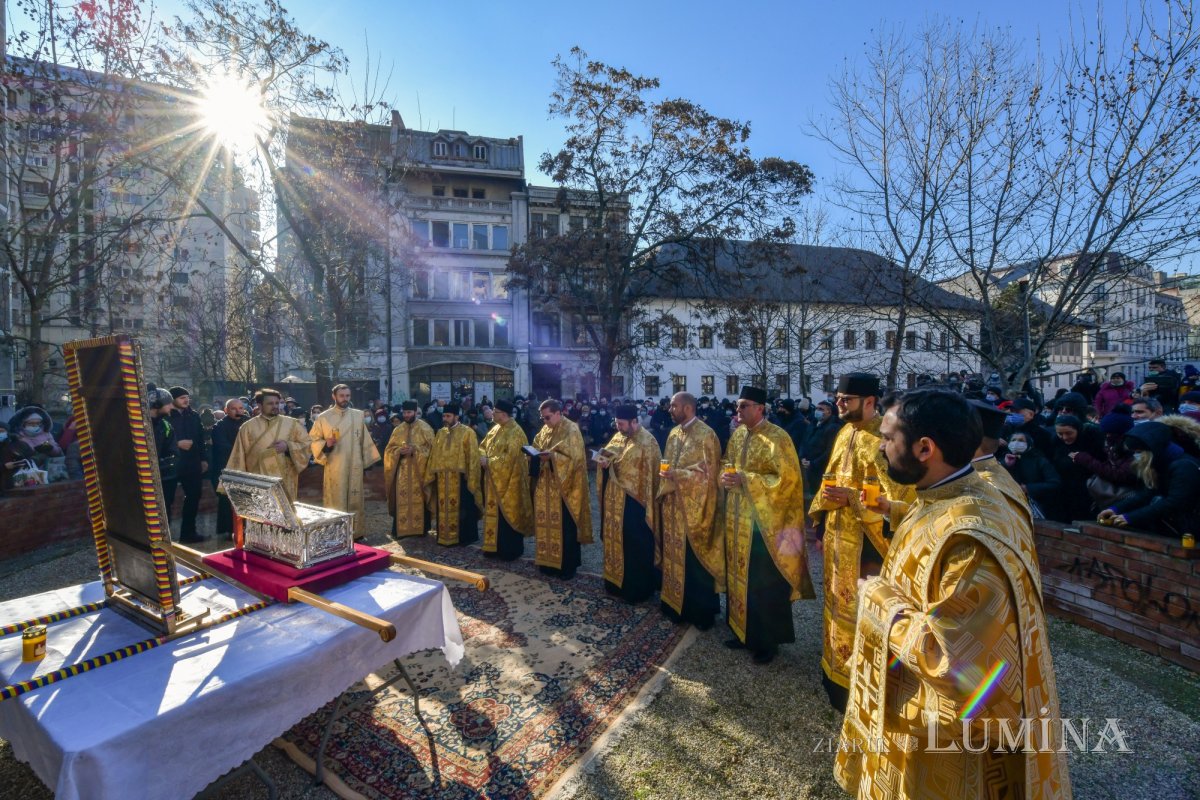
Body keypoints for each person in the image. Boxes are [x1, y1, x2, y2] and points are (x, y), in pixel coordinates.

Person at [838, 390, 1070, 800]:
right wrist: (893, 510)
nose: (880, 447)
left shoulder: (970, 539)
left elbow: (956, 661)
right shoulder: (947, 494)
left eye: (888, 438)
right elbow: (927, 525)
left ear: (925, 448)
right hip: (915, 708)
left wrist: (876, 599)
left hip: (946, 746)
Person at [808, 373, 914, 708]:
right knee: (836, 604)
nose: (839, 404)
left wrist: (853, 497)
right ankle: (835, 673)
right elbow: (831, 479)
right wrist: (822, 525)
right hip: (839, 536)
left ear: (869, 401)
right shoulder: (844, 432)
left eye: (846, 400)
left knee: (865, 613)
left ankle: (863, 685)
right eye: (838, 398)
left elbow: (901, 496)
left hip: (869, 544)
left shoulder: (887, 437)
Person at [720, 386, 814, 665]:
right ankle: (741, 631)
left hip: (764, 526)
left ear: (760, 408)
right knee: (740, 578)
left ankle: (765, 641)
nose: (738, 411)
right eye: (738, 406)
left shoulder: (778, 438)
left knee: (762, 583)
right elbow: (727, 462)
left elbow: (786, 480)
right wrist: (724, 476)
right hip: (738, 520)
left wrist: (746, 479)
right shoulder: (738, 435)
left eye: (744, 405)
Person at [657, 392, 723, 629]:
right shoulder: (674, 433)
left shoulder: (706, 435)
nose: (670, 409)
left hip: (696, 509)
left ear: (687, 408)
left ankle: (700, 613)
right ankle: (674, 605)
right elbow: (667, 463)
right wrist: (666, 476)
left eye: (674, 406)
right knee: (674, 555)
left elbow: (709, 475)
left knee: (694, 561)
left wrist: (678, 475)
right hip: (673, 505)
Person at [596, 404, 661, 603]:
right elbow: (608, 457)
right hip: (614, 501)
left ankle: (637, 589)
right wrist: (604, 464)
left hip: (636, 504)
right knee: (615, 541)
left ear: (634, 421)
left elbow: (651, 476)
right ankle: (615, 583)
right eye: (617, 423)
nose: (619, 427)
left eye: (622, 424)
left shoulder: (648, 442)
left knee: (635, 545)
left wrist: (614, 466)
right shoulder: (617, 437)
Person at [1099, 417, 1200, 536]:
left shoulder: (1184, 466)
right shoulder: (1161, 463)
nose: (1135, 456)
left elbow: (1174, 502)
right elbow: (1147, 493)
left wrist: (1131, 518)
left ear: (1151, 450)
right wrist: (1114, 509)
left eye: (1138, 452)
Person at [529, 399, 593, 579]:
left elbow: (575, 459)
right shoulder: (545, 429)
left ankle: (566, 566)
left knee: (565, 527)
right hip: (545, 486)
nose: (545, 421)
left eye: (547, 417)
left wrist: (552, 457)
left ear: (558, 413)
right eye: (542, 418)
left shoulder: (571, 429)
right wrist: (533, 453)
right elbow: (536, 445)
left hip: (565, 489)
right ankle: (547, 562)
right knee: (546, 524)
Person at [310, 384, 381, 539]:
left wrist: (366, 463)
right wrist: (326, 444)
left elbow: (364, 439)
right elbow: (313, 440)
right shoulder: (323, 417)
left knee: (356, 499)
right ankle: (335, 535)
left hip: (355, 465)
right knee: (336, 500)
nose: (345, 399)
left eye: (347, 395)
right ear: (334, 396)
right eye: (341, 396)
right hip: (335, 466)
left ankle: (356, 533)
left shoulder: (358, 415)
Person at [224, 389, 310, 502]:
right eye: (270, 403)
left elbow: (307, 445)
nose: (275, 406)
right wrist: (238, 488)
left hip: (284, 479)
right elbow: (238, 456)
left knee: (284, 510)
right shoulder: (247, 427)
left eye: (277, 403)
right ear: (260, 405)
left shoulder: (292, 424)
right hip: (257, 480)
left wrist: (288, 446)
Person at [478, 400, 533, 560]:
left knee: (507, 515)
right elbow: (482, 446)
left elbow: (511, 458)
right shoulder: (495, 428)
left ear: (503, 414)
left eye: (495, 411)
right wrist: (482, 456)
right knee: (493, 513)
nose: (492, 414)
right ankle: (492, 547)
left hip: (510, 483)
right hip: (493, 480)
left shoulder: (516, 432)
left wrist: (489, 462)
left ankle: (509, 551)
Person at [424, 402, 482, 546]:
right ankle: (444, 535)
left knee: (463, 509)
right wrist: (432, 473)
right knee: (443, 507)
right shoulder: (440, 433)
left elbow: (473, 456)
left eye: (448, 416)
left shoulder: (467, 432)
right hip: (442, 479)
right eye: (444, 416)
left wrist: (470, 476)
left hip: (461, 478)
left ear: (457, 416)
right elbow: (434, 454)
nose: (445, 418)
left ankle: (463, 537)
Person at [383, 401, 435, 539]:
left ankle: (421, 529)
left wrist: (415, 450)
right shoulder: (398, 430)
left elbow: (432, 450)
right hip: (402, 473)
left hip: (420, 473)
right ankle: (401, 529)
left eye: (409, 412)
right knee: (402, 498)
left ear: (415, 412)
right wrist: (398, 451)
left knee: (420, 498)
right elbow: (389, 450)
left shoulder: (425, 428)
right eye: (404, 412)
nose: (406, 415)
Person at [166, 387, 207, 543]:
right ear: (173, 399)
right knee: (167, 499)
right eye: (182, 397)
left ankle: (188, 533)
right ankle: (165, 537)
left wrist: (203, 459)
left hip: (192, 462)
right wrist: (177, 444)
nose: (186, 400)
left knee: (194, 496)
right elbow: (160, 441)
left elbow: (200, 439)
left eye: (187, 397)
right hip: (172, 463)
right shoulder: (166, 416)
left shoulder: (194, 415)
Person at [1050, 414, 1104, 522]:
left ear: (1078, 430)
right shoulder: (1056, 441)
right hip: (1063, 488)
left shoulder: (1091, 440)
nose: (1064, 437)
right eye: (1060, 434)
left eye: (1069, 433)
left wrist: (1083, 459)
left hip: (1086, 489)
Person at [209, 398, 248, 536]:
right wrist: (243, 451)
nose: (238, 411)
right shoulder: (219, 427)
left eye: (241, 408)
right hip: (227, 467)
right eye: (234, 408)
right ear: (226, 410)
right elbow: (222, 446)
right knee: (227, 499)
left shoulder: (248, 423)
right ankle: (228, 530)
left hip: (246, 467)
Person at [799, 399, 842, 502]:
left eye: (821, 409)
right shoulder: (813, 424)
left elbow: (830, 450)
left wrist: (813, 463)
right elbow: (804, 441)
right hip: (809, 467)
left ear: (829, 411)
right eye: (817, 408)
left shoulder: (833, 427)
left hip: (822, 469)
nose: (817, 411)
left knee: (822, 497)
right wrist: (802, 457)